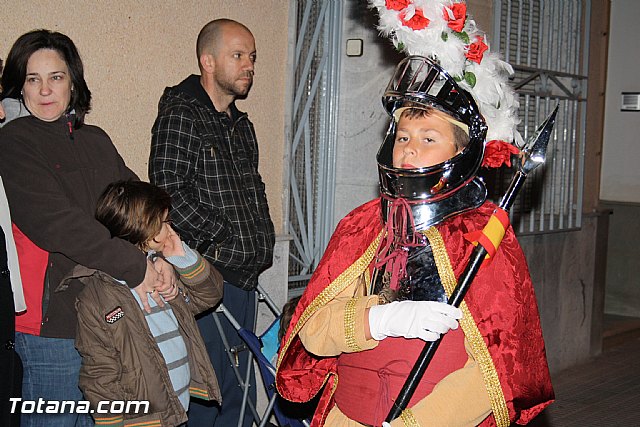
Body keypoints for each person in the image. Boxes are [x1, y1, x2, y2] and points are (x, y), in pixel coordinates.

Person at [276, 54, 554, 426]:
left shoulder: (482, 234)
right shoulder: (362, 226)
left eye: (428, 138)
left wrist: (417, 424)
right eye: (403, 136)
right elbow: (313, 332)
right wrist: (378, 319)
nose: (409, 149)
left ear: (462, 153)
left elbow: (496, 371)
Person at [0, 29, 175, 427]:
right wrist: (136, 267)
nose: (45, 89)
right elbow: (58, 224)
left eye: (56, 77)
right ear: (19, 87)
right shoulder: (14, 141)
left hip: (108, 311)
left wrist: (159, 251)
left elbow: (136, 206)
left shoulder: (95, 139)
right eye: (33, 79)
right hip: (53, 324)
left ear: (73, 82)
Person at [149, 18, 275, 426]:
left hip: (245, 276)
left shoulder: (241, 125)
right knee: (208, 393)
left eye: (252, 57)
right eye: (237, 55)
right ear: (207, 61)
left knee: (239, 392)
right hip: (205, 278)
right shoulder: (181, 114)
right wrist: (222, 241)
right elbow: (168, 191)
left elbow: (252, 190)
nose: (248, 66)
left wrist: (259, 238)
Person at [75, 180, 224, 426]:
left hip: (178, 408)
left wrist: (181, 257)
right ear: (145, 229)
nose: (171, 227)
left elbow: (208, 296)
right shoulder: (100, 296)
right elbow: (100, 373)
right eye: (165, 222)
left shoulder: (161, 270)